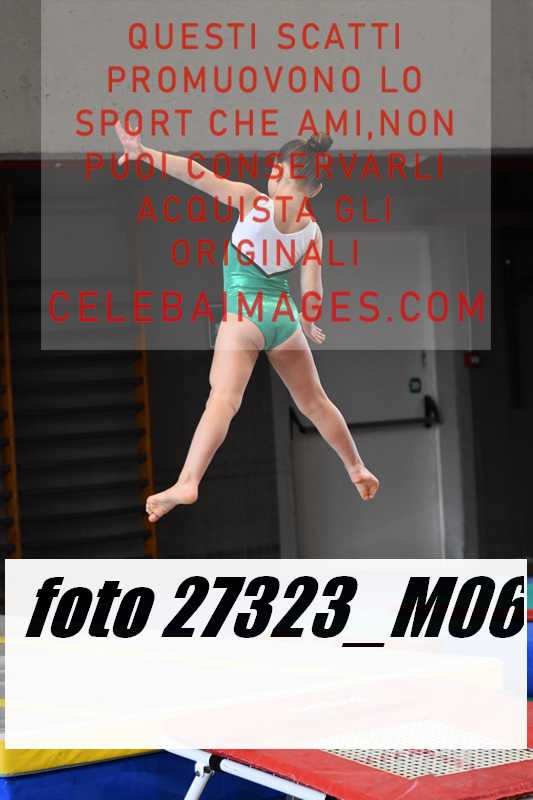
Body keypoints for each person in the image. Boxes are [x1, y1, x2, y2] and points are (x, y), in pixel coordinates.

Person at [114, 122, 380, 522]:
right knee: (316, 402)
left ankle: (188, 481)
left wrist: (145, 153)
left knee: (223, 399)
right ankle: (356, 467)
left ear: (277, 171)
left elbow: (196, 174)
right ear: (315, 189)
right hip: (284, 320)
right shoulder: (313, 231)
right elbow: (313, 289)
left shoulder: (252, 201)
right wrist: (308, 320)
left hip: (244, 314)